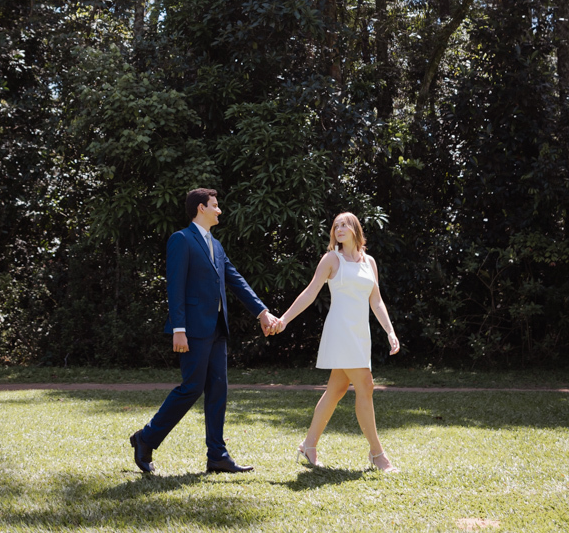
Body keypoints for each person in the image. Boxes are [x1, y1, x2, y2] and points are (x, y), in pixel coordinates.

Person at [130, 188, 278, 474]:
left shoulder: (217, 246)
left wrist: (262, 312)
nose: (219, 210)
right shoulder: (181, 240)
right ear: (201, 208)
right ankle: (145, 438)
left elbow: (236, 280)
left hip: (217, 329)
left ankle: (217, 456)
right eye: (215, 205)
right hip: (193, 330)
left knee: (218, 391)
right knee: (192, 388)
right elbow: (175, 287)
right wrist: (179, 329)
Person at [274, 212, 400, 472]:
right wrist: (285, 319)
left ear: (355, 229)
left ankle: (308, 446)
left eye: (344, 225)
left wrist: (390, 330)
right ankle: (378, 454)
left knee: (337, 389)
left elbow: (375, 300)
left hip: (360, 333)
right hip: (340, 331)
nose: (339, 229)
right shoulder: (332, 258)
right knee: (366, 384)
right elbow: (311, 292)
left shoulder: (370, 262)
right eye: (336, 226)